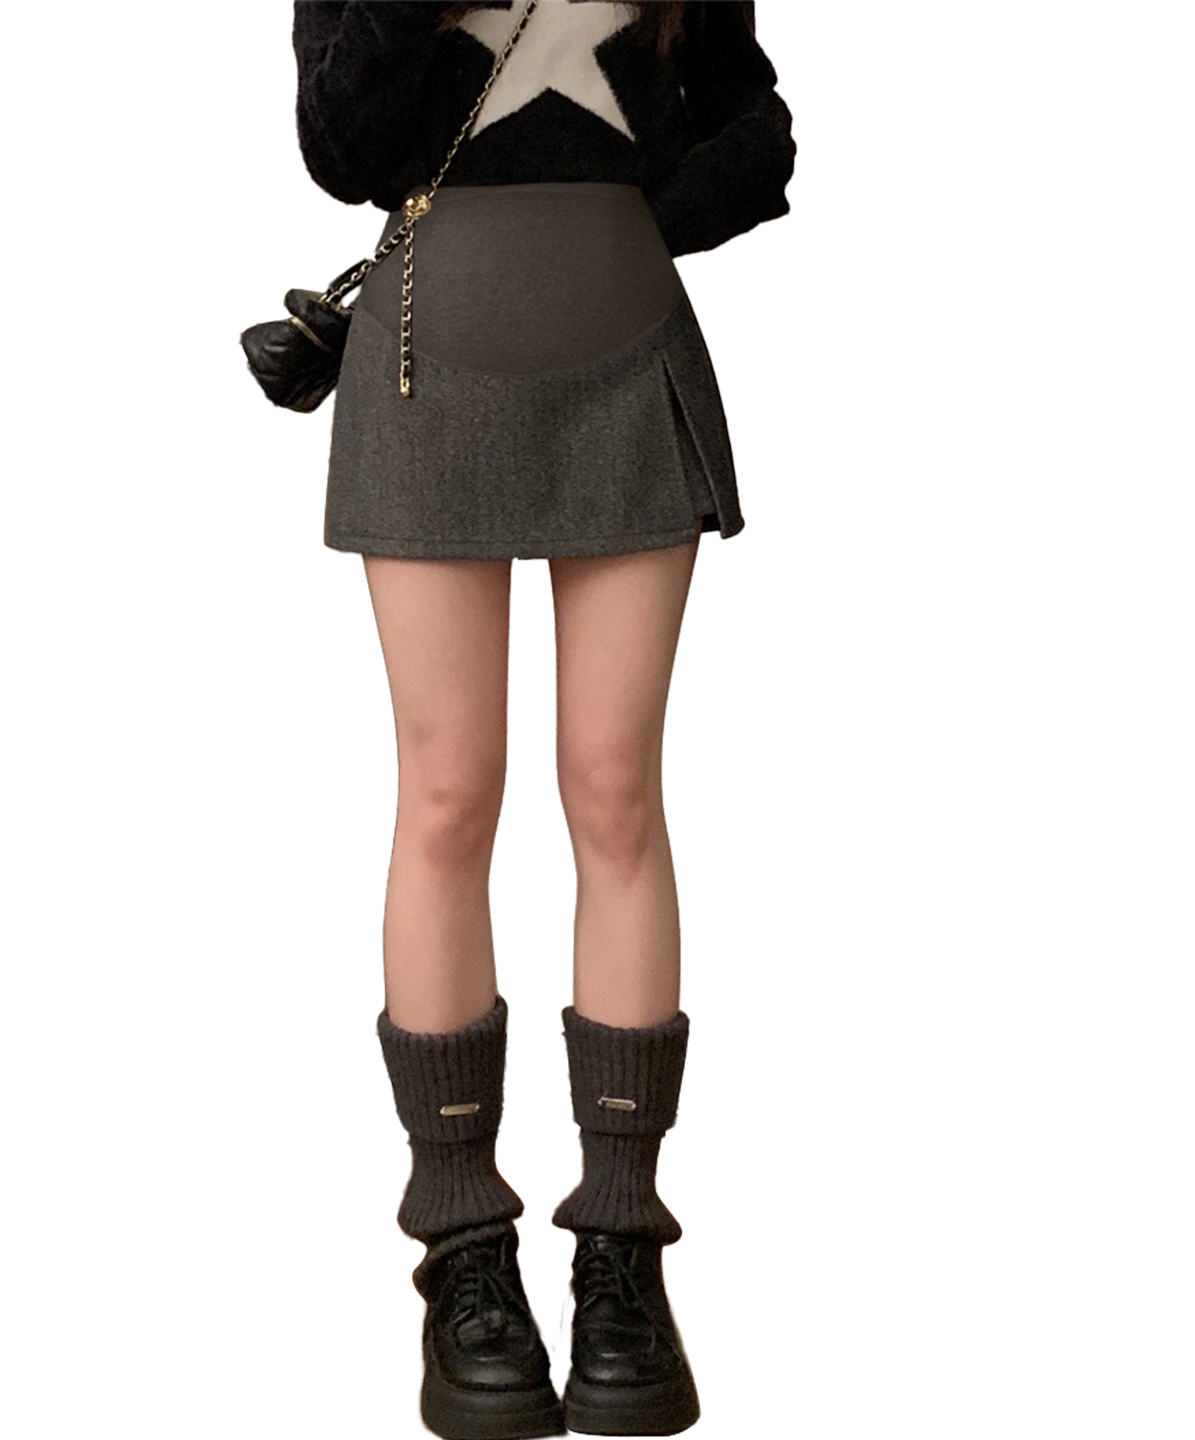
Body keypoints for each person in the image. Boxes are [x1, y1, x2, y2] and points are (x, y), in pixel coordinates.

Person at [290, 2, 795, 1434]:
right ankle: (462, 1249)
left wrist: (630, 218)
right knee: (449, 794)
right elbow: (338, 145)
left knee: (615, 791)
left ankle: (622, 1252)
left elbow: (756, 133)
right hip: (425, 360)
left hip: (626, 353)